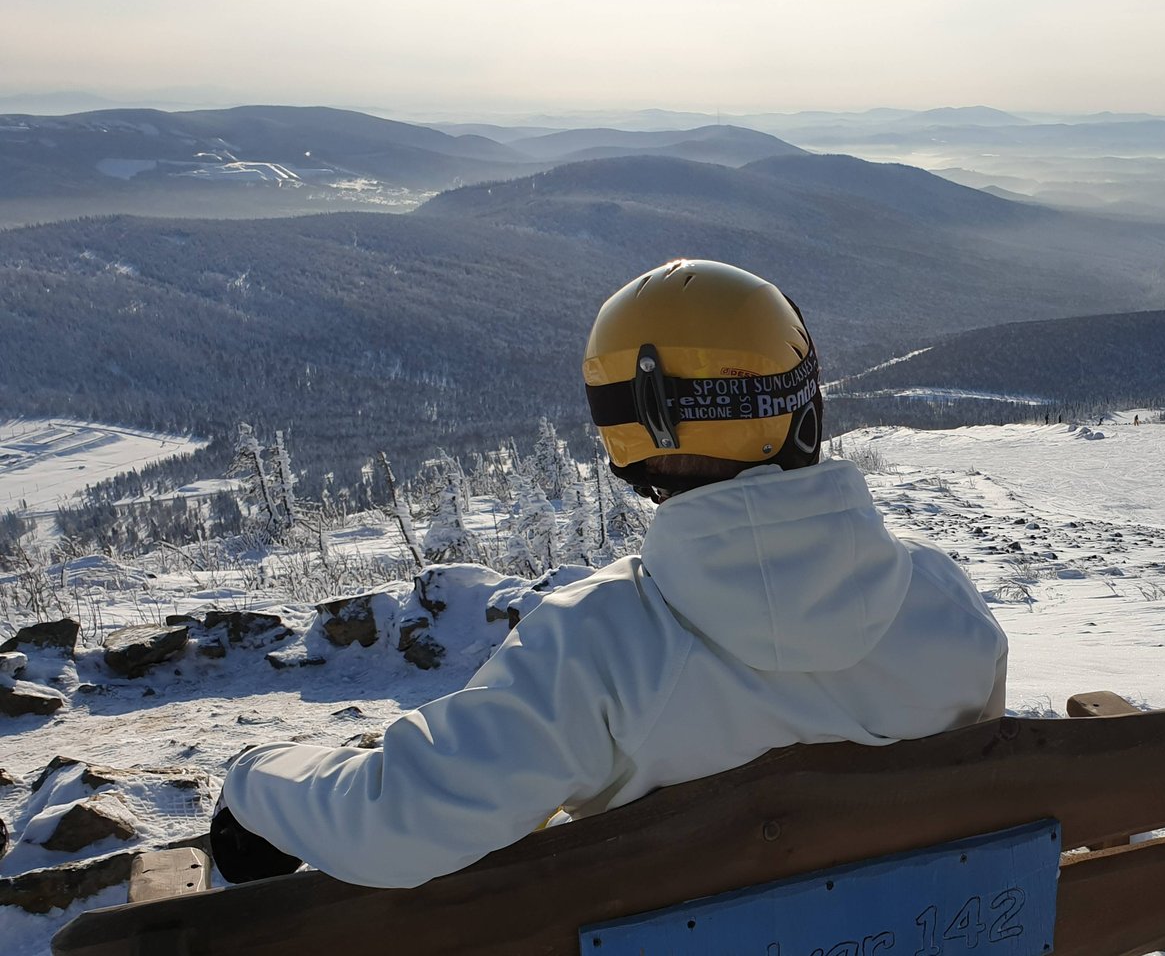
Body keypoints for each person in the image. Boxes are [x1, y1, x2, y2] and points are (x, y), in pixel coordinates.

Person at [211, 259, 1008, 888]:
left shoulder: (595, 649)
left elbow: (395, 823)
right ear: (804, 413)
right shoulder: (945, 606)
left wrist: (256, 787)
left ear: (629, 446)